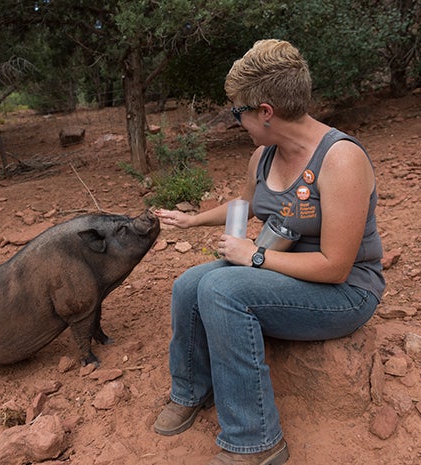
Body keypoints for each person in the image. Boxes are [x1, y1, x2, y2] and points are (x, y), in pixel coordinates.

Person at [152, 39, 385, 465]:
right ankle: (191, 390)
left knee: (223, 289)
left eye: (237, 112)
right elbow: (243, 207)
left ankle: (256, 440)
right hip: (286, 274)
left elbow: (336, 267)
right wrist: (193, 220)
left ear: (264, 112)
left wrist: (253, 257)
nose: (236, 121)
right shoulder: (263, 155)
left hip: (346, 291)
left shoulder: (340, 160)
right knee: (189, 284)